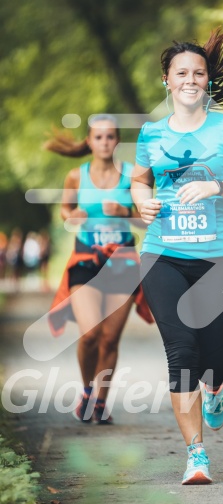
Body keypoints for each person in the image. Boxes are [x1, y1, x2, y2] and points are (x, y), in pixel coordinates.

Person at [131, 28, 223, 484]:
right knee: (181, 352)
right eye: (181, 72)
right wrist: (141, 201)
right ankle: (196, 454)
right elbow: (139, 180)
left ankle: (217, 385)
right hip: (162, 254)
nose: (190, 79)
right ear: (166, 81)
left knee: (212, 358)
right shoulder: (150, 133)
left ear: (207, 81)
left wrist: (215, 185)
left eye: (198, 72)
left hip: (217, 258)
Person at [45, 115, 153, 424]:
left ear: (117, 141)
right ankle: (87, 391)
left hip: (123, 263)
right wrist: (73, 214)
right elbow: (65, 211)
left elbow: (146, 219)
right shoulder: (75, 177)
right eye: (98, 137)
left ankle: (102, 403)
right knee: (90, 334)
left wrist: (126, 212)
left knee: (109, 339)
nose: (104, 142)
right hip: (86, 262)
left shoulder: (134, 176)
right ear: (89, 141)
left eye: (110, 137)